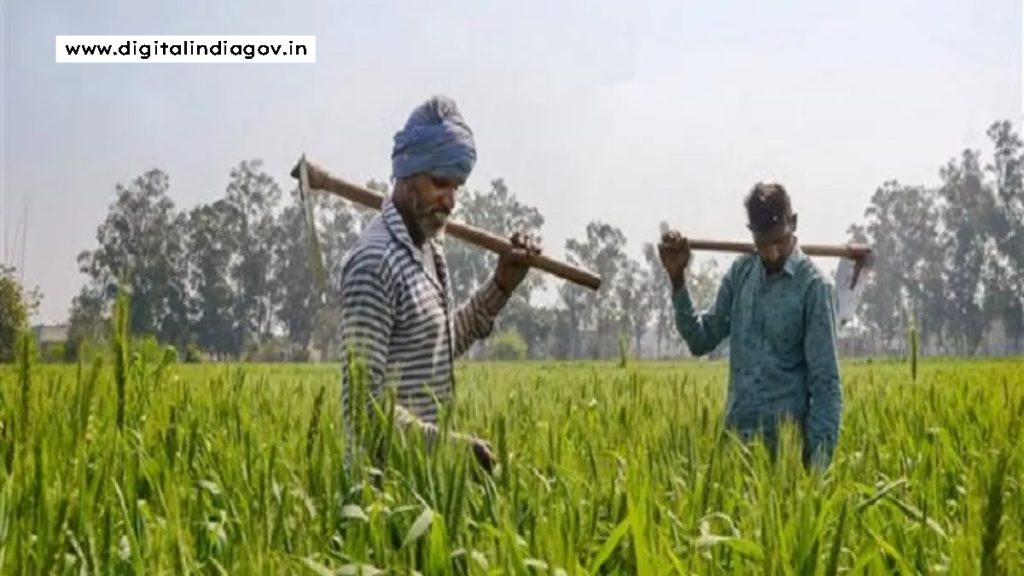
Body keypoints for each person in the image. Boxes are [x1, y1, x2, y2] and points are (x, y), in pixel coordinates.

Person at [338, 95, 538, 472]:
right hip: (379, 497)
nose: (450, 200)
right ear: (407, 172)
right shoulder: (374, 263)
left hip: (423, 482)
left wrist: (501, 286)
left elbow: (438, 346)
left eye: (457, 186)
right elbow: (363, 409)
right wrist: (449, 449)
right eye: (440, 183)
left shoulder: (428, 248)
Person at [658, 183, 842, 469]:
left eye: (779, 241)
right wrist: (678, 278)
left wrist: (816, 473)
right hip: (735, 450)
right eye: (763, 243)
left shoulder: (814, 288)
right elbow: (700, 339)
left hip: (786, 458)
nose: (771, 253)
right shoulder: (741, 274)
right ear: (751, 234)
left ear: (793, 223)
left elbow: (827, 385)